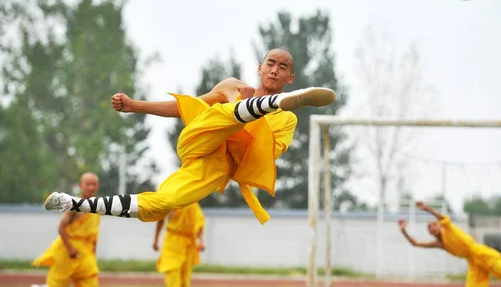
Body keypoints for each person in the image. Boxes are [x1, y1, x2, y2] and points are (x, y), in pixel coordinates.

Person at [43, 48, 335, 225]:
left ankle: (71, 202)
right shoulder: (231, 85)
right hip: (199, 138)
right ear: (260, 68)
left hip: (216, 165)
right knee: (226, 113)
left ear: (290, 79)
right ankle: (253, 108)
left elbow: (262, 156)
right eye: (271, 63)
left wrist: (247, 116)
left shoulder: (287, 119)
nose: (275, 69)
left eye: (283, 67)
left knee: (161, 204)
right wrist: (135, 106)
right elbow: (185, 107)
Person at [23, 172, 102, 287]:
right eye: (88, 184)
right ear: (81, 186)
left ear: (97, 187)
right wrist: (71, 248)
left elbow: (92, 233)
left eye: (94, 184)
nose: (91, 187)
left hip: (85, 254)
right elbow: (61, 228)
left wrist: (93, 250)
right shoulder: (74, 205)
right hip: (67, 251)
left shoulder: (97, 206)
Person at [153, 203, 205, 287]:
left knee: (184, 280)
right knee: (171, 273)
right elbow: (160, 219)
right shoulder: (171, 200)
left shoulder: (193, 204)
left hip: (188, 243)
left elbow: (199, 223)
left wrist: (201, 241)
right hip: (172, 241)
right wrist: (155, 240)